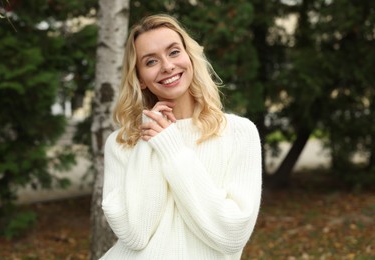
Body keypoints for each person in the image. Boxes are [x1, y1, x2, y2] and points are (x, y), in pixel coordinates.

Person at [100, 14, 262, 260]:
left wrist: (171, 147)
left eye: (174, 52)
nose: (167, 66)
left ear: (190, 58)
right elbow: (136, 235)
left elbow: (232, 236)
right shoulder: (121, 143)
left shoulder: (239, 133)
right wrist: (149, 141)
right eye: (151, 61)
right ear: (140, 79)